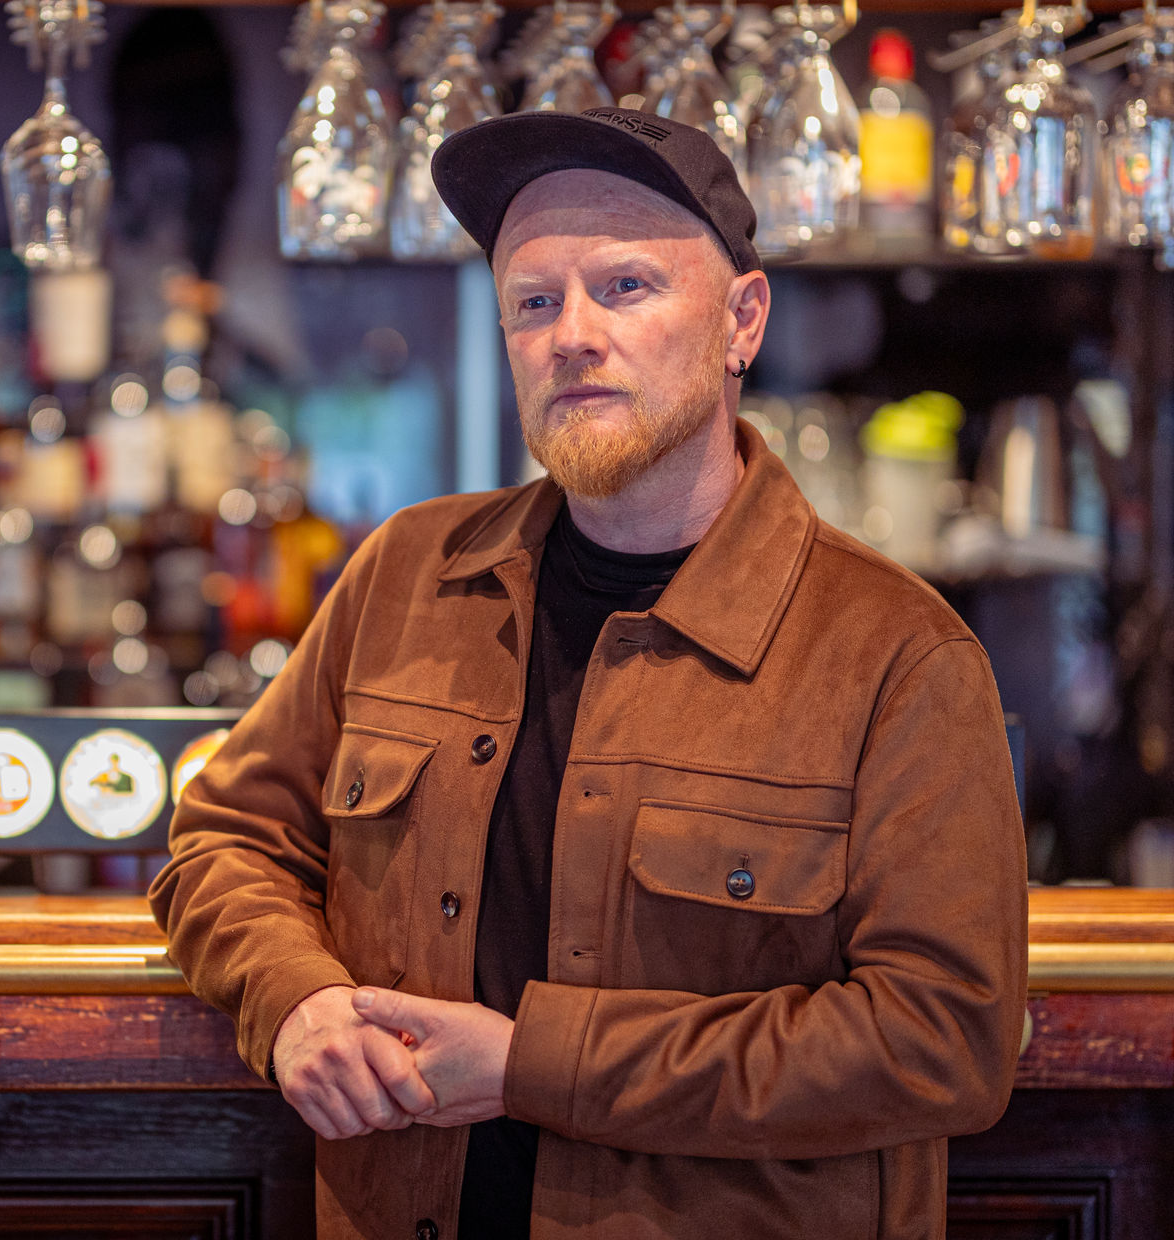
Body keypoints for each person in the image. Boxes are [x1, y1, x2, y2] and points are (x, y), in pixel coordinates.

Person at [148, 107, 1027, 1240]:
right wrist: (297, 999)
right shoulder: (408, 575)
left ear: (740, 321)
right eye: (533, 300)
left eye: (623, 287)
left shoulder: (898, 655)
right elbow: (222, 837)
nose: (570, 335)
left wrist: (534, 1065)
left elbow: (942, 1040)